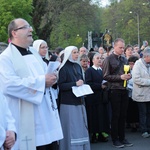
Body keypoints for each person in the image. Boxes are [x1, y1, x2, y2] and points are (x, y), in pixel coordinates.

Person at [0, 18, 63, 150]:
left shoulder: (34, 53)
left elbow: (44, 75)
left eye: (30, 26)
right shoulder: (6, 57)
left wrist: (52, 78)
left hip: (46, 115)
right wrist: (42, 81)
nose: (31, 30)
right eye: (25, 27)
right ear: (14, 33)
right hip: (27, 121)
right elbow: (9, 85)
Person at [58, 46, 90, 150]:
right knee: (71, 128)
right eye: (74, 52)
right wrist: (75, 84)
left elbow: (81, 82)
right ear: (68, 54)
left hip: (79, 101)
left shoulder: (77, 66)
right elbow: (61, 86)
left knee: (80, 128)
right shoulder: (63, 68)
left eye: (77, 52)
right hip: (68, 104)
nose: (77, 54)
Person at [102, 38, 133, 148]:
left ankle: (122, 137)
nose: (122, 49)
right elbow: (105, 76)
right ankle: (115, 139)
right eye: (120, 47)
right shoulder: (108, 59)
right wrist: (120, 77)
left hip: (124, 89)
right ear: (114, 47)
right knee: (116, 115)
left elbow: (128, 72)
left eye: (123, 47)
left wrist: (129, 76)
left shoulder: (124, 59)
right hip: (114, 90)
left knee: (123, 115)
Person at [85, 52, 109, 143]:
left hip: (102, 98)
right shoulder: (89, 70)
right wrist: (100, 86)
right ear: (93, 60)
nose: (100, 60)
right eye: (98, 58)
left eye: (101, 58)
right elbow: (88, 84)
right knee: (94, 117)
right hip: (93, 99)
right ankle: (94, 135)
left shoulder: (102, 70)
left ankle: (101, 133)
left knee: (101, 117)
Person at [132, 47, 150, 138]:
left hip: (149, 93)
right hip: (141, 93)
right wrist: (148, 82)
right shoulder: (138, 64)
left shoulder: (149, 64)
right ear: (146, 56)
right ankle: (144, 130)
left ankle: (148, 128)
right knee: (143, 112)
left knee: (148, 112)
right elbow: (136, 79)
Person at [126, 56, 139, 132]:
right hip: (129, 93)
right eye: (130, 64)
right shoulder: (127, 70)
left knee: (136, 109)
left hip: (137, 92)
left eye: (132, 64)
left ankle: (137, 123)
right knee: (130, 109)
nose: (131, 66)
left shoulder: (137, 70)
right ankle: (131, 124)